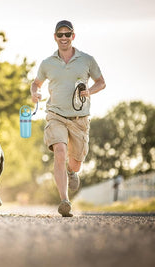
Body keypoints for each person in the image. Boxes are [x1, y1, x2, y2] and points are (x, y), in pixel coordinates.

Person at [30, 20, 106, 217]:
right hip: (55, 115)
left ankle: (72, 172)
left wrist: (89, 91)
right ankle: (65, 201)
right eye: (60, 34)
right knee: (60, 151)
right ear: (55, 37)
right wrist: (35, 93)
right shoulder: (47, 63)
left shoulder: (87, 60)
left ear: (73, 36)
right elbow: (35, 83)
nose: (64, 37)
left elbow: (101, 83)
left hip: (80, 119)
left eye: (67, 34)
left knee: (75, 162)